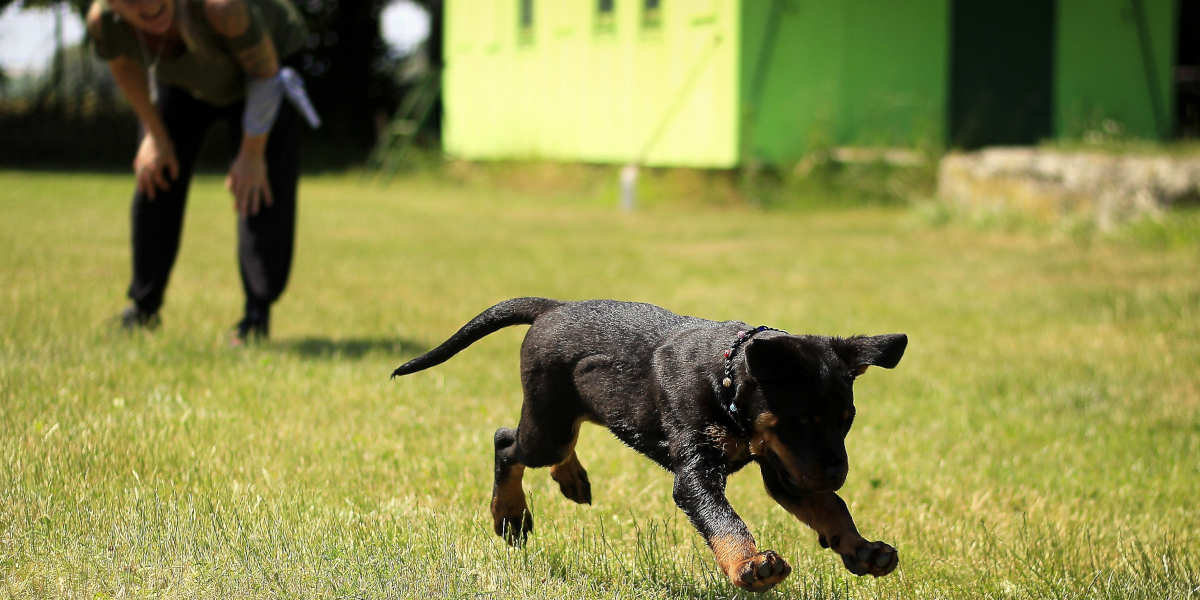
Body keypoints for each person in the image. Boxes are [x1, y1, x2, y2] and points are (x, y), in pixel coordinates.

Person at [87, 0, 319, 344]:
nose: (146, 4)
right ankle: (143, 307)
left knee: (258, 186)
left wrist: (252, 153)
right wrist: (153, 133)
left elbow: (264, 71)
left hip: (265, 71)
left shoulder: (220, 7)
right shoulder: (104, 21)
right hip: (182, 80)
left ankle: (256, 316)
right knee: (156, 172)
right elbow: (122, 64)